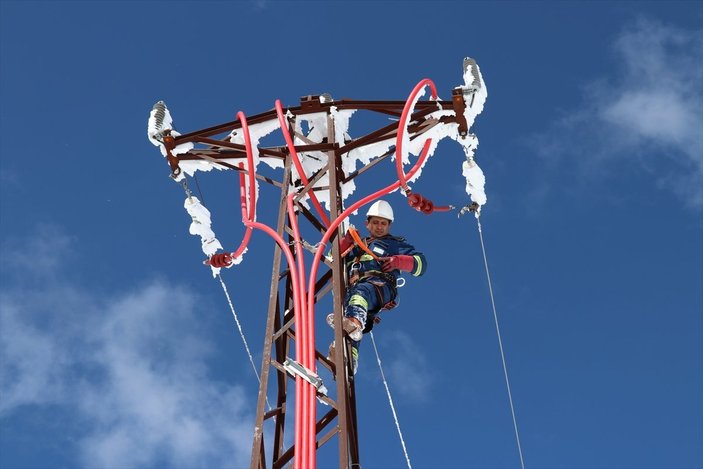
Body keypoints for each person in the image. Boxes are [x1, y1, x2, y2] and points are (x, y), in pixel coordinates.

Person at [327, 200, 427, 374]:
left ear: (389, 225)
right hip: (354, 288)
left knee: (361, 296)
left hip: (381, 286)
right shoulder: (357, 244)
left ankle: (354, 323)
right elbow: (331, 259)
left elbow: (421, 265)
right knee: (352, 310)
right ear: (367, 224)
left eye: (383, 223)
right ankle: (349, 356)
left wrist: (398, 261)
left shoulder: (394, 244)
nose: (379, 227)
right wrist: (346, 242)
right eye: (375, 222)